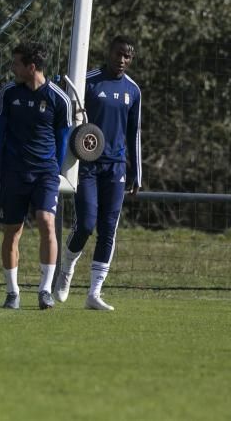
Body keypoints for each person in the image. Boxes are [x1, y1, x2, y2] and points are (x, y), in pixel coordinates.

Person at [55, 35, 141, 311]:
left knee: (108, 229)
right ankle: (66, 269)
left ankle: (94, 293)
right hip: (88, 165)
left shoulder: (133, 91)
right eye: (118, 54)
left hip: (115, 168)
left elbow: (134, 133)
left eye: (127, 56)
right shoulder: (89, 81)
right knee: (87, 224)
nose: (122, 59)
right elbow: (69, 117)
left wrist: (136, 171)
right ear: (109, 52)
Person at [0, 41, 72, 310]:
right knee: (12, 233)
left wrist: (55, 171)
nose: (12, 67)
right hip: (14, 173)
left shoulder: (59, 98)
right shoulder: (9, 93)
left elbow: (62, 140)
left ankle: (45, 289)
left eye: (16, 63)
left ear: (31, 67)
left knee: (47, 221)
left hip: (45, 173)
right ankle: (12, 292)